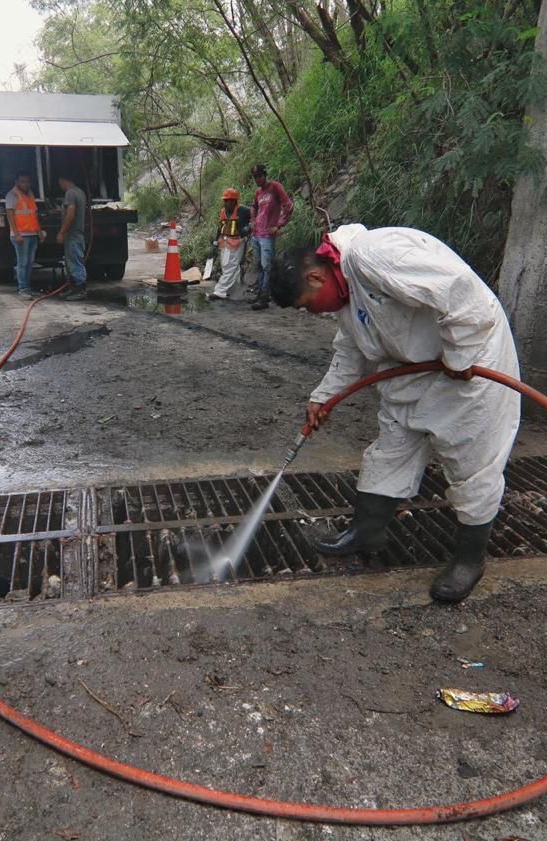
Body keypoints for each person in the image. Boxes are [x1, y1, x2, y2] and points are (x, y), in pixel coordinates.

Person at [268, 224, 521, 603]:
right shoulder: (346, 297)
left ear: (317, 275)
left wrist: (460, 354)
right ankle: (367, 531)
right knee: (391, 449)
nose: (311, 313)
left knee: (472, 461)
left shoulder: (375, 254)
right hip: (414, 369)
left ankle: (470, 559)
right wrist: (324, 396)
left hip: (469, 367)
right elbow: (350, 350)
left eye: (307, 304)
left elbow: (459, 291)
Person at [248, 163, 293, 310]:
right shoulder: (258, 193)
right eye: (255, 177)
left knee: (267, 266)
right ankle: (261, 293)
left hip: (268, 234)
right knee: (260, 265)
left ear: (265, 175)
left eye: (259, 176)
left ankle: (264, 296)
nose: (257, 179)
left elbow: (288, 205)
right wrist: (253, 220)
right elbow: (254, 207)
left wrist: (279, 224)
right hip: (256, 233)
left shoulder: (275, 187)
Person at [4, 172, 46, 298]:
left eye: (27, 181)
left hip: (32, 233)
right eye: (22, 181)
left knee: (29, 262)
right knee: (23, 262)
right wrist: (16, 234)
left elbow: (33, 215)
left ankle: (27, 287)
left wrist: (39, 232)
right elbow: (10, 216)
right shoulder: (12, 195)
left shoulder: (29, 194)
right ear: (17, 182)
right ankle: (23, 288)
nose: (26, 184)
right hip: (21, 235)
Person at [209, 187, 251, 302]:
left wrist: (248, 229)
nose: (226, 203)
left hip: (237, 241)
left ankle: (220, 291)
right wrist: (215, 242)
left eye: (228, 201)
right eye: (225, 201)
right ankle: (235, 291)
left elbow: (250, 222)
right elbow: (220, 227)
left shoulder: (242, 211)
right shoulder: (223, 212)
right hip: (225, 241)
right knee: (226, 266)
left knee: (230, 266)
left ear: (234, 201)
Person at [55, 175, 88, 301]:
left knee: (75, 263)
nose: (60, 187)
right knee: (71, 263)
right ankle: (73, 289)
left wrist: (62, 232)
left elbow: (71, 214)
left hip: (73, 235)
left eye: (60, 184)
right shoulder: (80, 192)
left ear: (63, 180)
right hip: (77, 233)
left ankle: (80, 290)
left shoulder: (70, 193)